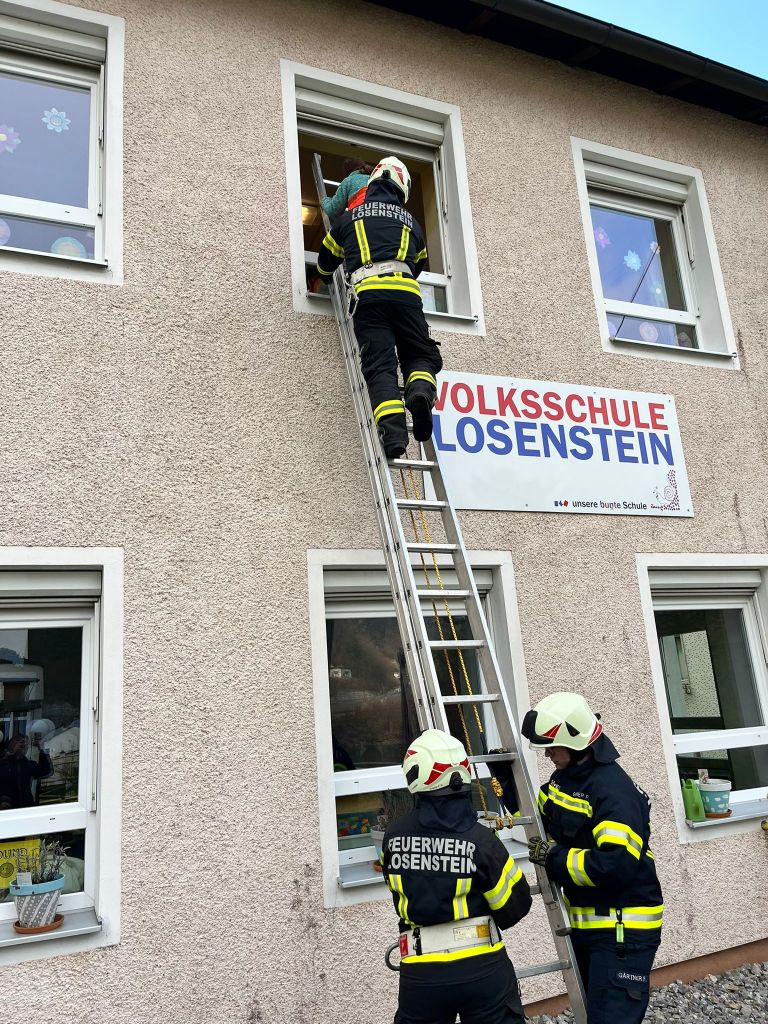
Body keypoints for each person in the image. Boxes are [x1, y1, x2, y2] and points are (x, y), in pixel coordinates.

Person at [514, 692, 663, 1024]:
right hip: (590, 929)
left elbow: (615, 866)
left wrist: (554, 858)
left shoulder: (614, 792)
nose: (548, 754)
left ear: (576, 743)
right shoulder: (566, 781)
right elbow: (540, 818)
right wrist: (503, 780)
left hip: (622, 932)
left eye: (553, 747)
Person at [381, 728, 531, 1024]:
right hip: (484, 971)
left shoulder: (393, 837)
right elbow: (515, 907)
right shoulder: (482, 841)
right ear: (463, 774)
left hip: (421, 974)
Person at [316, 155, 441, 459]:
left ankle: (394, 436)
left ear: (372, 182)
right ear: (402, 188)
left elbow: (326, 260)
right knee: (419, 353)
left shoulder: (351, 217)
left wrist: (322, 280)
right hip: (407, 295)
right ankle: (420, 393)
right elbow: (418, 263)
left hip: (368, 296)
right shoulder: (412, 223)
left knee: (380, 366)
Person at [0, 734, 52, 810]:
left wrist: (41, 750)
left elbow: (46, 771)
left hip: (26, 809)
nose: (22, 742)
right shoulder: (2, 764)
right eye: (18, 740)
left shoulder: (29, 765)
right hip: (7, 810)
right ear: (11, 745)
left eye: (25, 743)